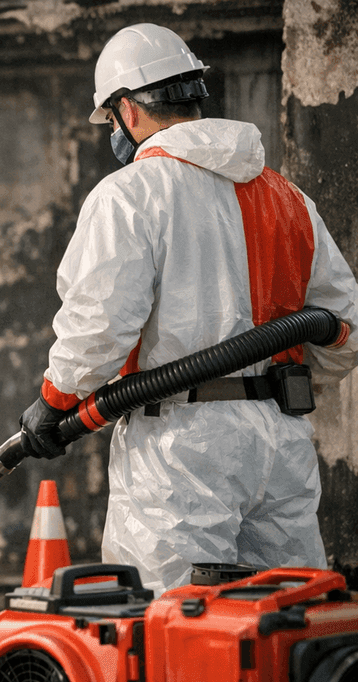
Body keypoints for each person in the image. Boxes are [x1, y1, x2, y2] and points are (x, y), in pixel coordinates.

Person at [18, 23, 358, 593]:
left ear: (127, 109)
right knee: (291, 612)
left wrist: (54, 404)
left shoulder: (131, 194)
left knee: (173, 614)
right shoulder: (288, 196)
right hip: (282, 438)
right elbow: (341, 331)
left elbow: (99, 327)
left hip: (180, 444)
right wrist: (282, 390)